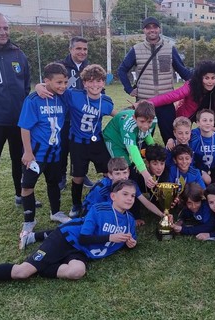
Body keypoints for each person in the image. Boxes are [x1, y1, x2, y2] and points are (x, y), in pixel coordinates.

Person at [0, 180, 137, 281]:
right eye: (125, 194)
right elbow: (83, 238)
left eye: (132, 196)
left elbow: (129, 240)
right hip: (65, 239)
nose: (130, 198)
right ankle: (36, 265)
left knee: (77, 272)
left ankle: (41, 266)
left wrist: (130, 243)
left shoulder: (130, 220)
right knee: (22, 272)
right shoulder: (99, 209)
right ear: (113, 196)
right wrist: (110, 237)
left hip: (81, 251)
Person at [18, 62, 71, 245]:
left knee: (54, 182)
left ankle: (55, 212)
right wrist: (27, 152)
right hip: (36, 155)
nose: (62, 86)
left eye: (65, 82)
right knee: (27, 186)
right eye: (58, 82)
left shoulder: (63, 97)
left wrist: (51, 87)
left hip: (55, 153)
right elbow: (25, 127)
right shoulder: (33, 100)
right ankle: (29, 221)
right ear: (46, 81)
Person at [117, 16, 192, 144]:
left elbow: (183, 71)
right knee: (143, 138)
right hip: (144, 102)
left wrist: (200, 77)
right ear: (144, 30)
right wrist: (129, 89)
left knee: (171, 138)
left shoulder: (169, 48)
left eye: (155, 27)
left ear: (159, 29)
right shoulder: (136, 49)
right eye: (148, 27)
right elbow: (122, 70)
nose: (152, 30)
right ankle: (142, 163)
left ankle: (171, 163)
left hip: (166, 101)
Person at [0, 12, 41, 207]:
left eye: (5, 27)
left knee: (19, 160)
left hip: (19, 121)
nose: (2, 32)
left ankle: (20, 195)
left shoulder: (18, 53)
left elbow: (25, 85)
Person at [63, 64, 116, 218]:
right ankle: (76, 204)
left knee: (109, 172)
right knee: (78, 175)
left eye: (99, 81)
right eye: (90, 81)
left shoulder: (106, 101)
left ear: (104, 83)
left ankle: (110, 200)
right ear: (84, 83)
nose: (95, 85)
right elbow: (57, 89)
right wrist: (40, 86)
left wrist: (132, 112)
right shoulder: (74, 95)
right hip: (78, 142)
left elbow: (117, 115)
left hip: (97, 142)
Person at [81, 157, 164, 226]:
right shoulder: (101, 188)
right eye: (117, 174)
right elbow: (93, 209)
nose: (122, 177)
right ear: (110, 175)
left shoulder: (131, 185)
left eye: (124, 173)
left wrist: (162, 215)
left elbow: (146, 202)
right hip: (91, 211)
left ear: (128, 172)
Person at [57, 36, 93, 190]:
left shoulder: (90, 68)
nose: (82, 52)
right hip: (63, 117)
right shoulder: (60, 67)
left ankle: (80, 174)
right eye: (78, 48)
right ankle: (61, 176)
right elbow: (50, 86)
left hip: (82, 118)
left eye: (84, 49)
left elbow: (98, 88)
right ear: (70, 49)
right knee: (63, 147)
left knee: (80, 149)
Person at [103, 100, 157, 189]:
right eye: (142, 121)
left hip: (128, 138)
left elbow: (147, 135)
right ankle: (113, 188)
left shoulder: (154, 119)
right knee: (123, 166)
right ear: (134, 118)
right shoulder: (129, 125)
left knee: (134, 164)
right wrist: (146, 174)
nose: (146, 126)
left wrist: (154, 152)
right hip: (114, 140)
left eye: (149, 122)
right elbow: (133, 151)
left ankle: (135, 188)